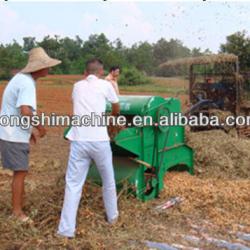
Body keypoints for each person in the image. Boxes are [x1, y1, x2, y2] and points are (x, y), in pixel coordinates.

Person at [57, 59, 120, 238]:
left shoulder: (77, 86)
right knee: (108, 180)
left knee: (73, 185)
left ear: (85, 73)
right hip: (99, 141)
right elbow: (116, 106)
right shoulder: (106, 85)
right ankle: (113, 218)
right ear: (101, 72)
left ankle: (66, 230)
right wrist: (112, 119)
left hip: (79, 141)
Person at [0, 47, 61, 222]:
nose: (49, 69)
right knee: (20, 173)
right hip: (12, 135)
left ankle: (18, 207)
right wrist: (39, 128)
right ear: (38, 68)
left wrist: (28, 132)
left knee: (21, 171)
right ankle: (17, 213)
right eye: (47, 66)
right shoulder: (27, 83)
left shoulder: (21, 79)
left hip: (11, 132)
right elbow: (25, 111)